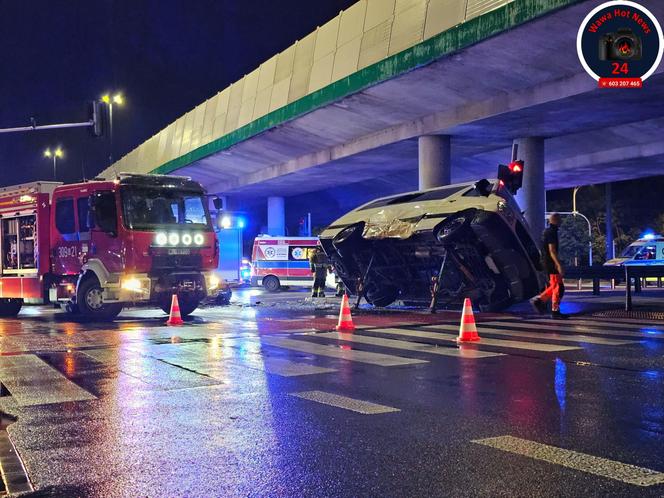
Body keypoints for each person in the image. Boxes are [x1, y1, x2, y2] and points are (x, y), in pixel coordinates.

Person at [531, 213, 567, 319]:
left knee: (556, 286)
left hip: (547, 262)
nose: (561, 221)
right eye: (559, 219)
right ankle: (554, 310)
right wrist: (558, 264)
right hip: (550, 263)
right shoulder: (551, 232)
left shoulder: (548, 231)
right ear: (555, 220)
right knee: (558, 287)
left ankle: (539, 300)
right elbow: (552, 250)